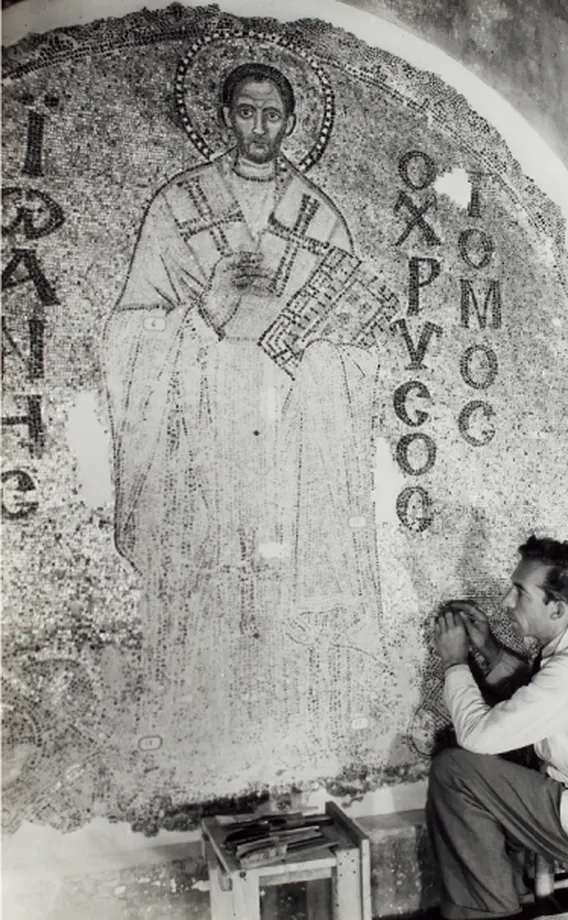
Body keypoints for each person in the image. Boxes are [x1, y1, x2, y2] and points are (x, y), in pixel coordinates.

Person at [101, 62, 395, 750]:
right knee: (205, 580)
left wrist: (313, 351)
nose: (258, 127)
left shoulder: (317, 214)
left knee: (280, 575)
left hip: (293, 434)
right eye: (245, 111)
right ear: (224, 115)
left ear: (292, 123)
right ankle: (197, 733)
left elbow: (355, 342)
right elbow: (127, 339)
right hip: (199, 429)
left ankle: (293, 731)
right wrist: (207, 307)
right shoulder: (180, 205)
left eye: (272, 115)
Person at [428, 536, 568, 919]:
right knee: (496, 765)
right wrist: (488, 647)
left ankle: (487, 913)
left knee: (454, 770)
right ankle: (498, 890)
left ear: (557, 608)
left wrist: (455, 662)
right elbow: (542, 694)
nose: (506, 600)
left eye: (520, 592)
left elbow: (479, 735)